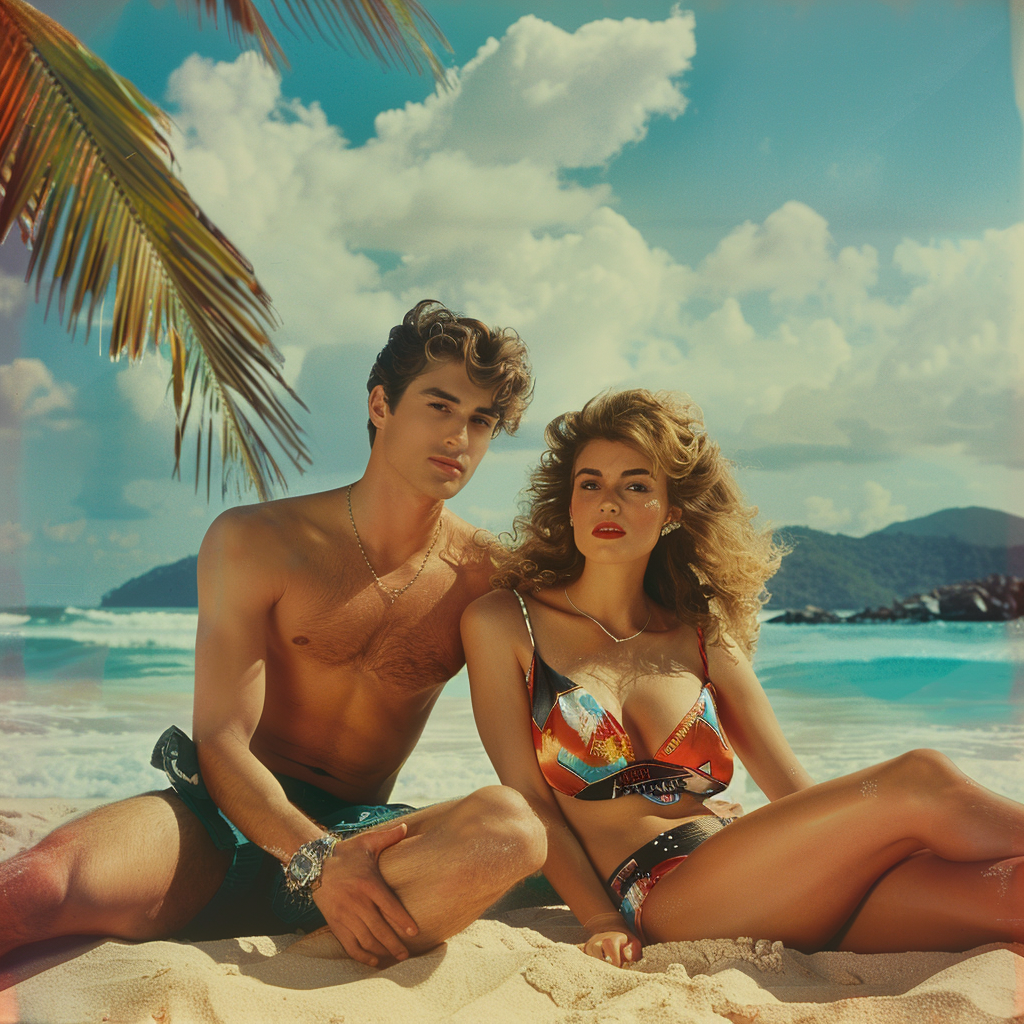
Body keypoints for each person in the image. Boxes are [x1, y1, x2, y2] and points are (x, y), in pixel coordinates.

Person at [0, 300, 546, 969]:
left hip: (366, 837)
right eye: (439, 405)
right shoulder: (259, 541)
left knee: (514, 832)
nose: (460, 436)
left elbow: (586, 681)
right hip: (216, 825)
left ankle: (320, 939)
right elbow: (222, 741)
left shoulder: (486, 578)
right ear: (381, 405)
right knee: (34, 888)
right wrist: (315, 857)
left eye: (481, 420)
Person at [461, 388, 1024, 968]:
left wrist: (856, 849)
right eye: (590, 484)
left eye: (635, 486)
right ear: (570, 503)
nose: (609, 503)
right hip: (663, 892)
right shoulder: (507, 622)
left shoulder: (702, 635)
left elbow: (791, 790)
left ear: (672, 512)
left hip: (771, 878)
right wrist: (601, 920)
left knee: (1007, 891)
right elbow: (530, 800)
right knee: (921, 776)